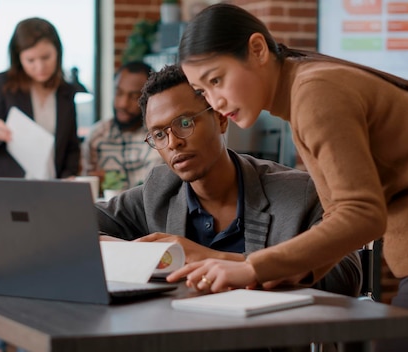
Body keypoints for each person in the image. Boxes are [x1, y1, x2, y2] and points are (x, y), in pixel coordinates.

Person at [167, 4, 408, 351]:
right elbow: (340, 217)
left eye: (217, 79)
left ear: (258, 49)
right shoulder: (304, 92)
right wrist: (265, 272)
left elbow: (362, 215)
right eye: (203, 91)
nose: (216, 101)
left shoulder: (315, 93)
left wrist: (253, 267)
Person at [96, 64, 362, 298]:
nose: (173, 142)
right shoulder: (160, 190)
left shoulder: (298, 193)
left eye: (185, 123)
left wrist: (215, 259)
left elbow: (346, 276)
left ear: (221, 119)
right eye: (159, 134)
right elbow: (73, 228)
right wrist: (135, 255)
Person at [0, 17, 80, 179]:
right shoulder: (4, 84)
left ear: (57, 53)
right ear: (19, 58)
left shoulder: (65, 91)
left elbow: (72, 146)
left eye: (46, 57)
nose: (40, 67)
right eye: (30, 60)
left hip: (49, 186)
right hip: (6, 185)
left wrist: (68, 176)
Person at [82, 61, 164, 190]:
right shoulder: (97, 135)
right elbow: (87, 188)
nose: (122, 104)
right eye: (119, 93)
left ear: (150, 98)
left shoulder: (158, 138)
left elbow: (153, 192)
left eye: (134, 97)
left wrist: (108, 182)